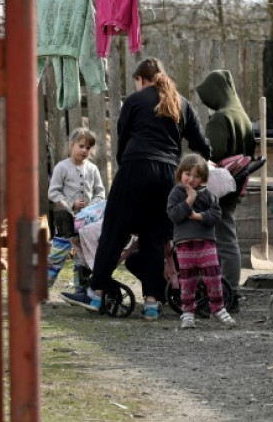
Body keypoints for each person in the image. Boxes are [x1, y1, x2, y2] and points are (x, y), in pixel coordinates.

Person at [63, 57, 211, 320]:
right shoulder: (182, 103)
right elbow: (201, 144)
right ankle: (152, 303)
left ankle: (96, 294)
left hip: (136, 168)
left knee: (114, 231)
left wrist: (127, 168)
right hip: (167, 174)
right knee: (154, 237)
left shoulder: (135, 100)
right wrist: (198, 170)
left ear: (141, 80)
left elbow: (123, 138)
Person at [195, 70, 264, 312]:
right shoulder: (242, 117)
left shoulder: (220, 119)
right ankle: (226, 288)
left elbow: (212, 154)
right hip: (236, 183)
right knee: (227, 235)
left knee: (223, 238)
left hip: (219, 185)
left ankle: (229, 290)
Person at [166, 154, 236, 329]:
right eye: (187, 174)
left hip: (206, 244)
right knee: (188, 281)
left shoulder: (207, 194)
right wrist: (189, 200)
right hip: (184, 246)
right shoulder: (176, 193)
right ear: (180, 173)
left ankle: (218, 308)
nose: (191, 179)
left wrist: (199, 216)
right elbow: (174, 214)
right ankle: (188, 312)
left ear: (203, 179)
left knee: (213, 277)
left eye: (196, 176)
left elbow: (216, 214)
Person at [46, 128, 106, 295]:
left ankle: (81, 291)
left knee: (83, 257)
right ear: (71, 145)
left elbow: (100, 192)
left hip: (86, 222)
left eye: (88, 148)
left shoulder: (92, 169)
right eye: (81, 146)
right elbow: (53, 192)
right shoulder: (62, 167)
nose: (85, 150)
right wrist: (71, 203)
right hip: (66, 221)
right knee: (57, 256)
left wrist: (92, 207)